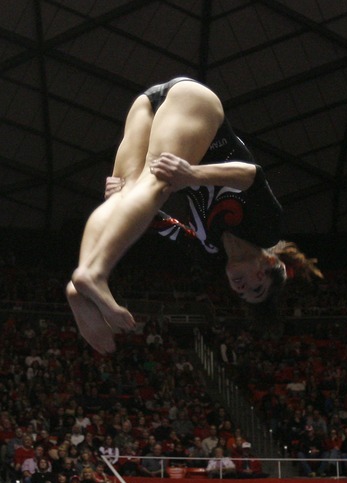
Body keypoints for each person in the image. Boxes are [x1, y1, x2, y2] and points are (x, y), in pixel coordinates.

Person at [66, 77, 322, 354]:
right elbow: (250, 175)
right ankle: (94, 272)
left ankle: (79, 284)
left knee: (126, 195)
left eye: (242, 294)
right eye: (256, 288)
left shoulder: (209, 252)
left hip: (148, 107)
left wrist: (118, 198)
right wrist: (192, 175)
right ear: (271, 262)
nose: (241, 289)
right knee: (159, 183)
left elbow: (163, 225)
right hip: (195, 104)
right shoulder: (266, 230)